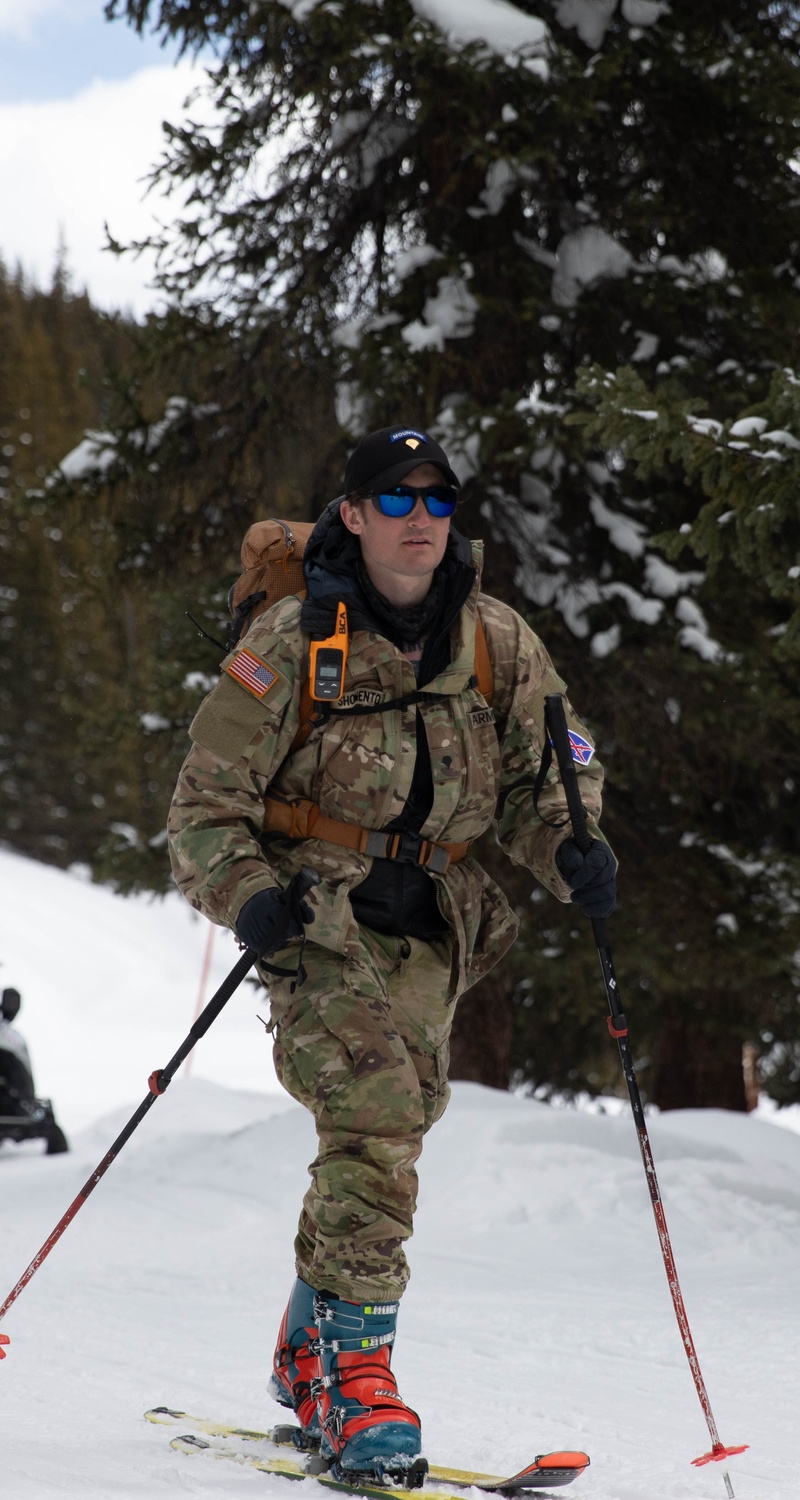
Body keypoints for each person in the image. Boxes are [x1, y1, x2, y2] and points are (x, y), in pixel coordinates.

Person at [167, 424, 615, 1482]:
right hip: (311, 912)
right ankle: (353, 1381)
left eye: (438, 500)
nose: (420, 520)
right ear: (354, 517)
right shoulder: (290, 641)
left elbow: (546, 777)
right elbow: (201, 811)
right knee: (371, 1111)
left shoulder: (495, 640)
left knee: (403, 1115)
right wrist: (251, 899)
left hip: (432, 918)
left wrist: (570, 850)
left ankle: (302, 1342)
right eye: (396, 499)